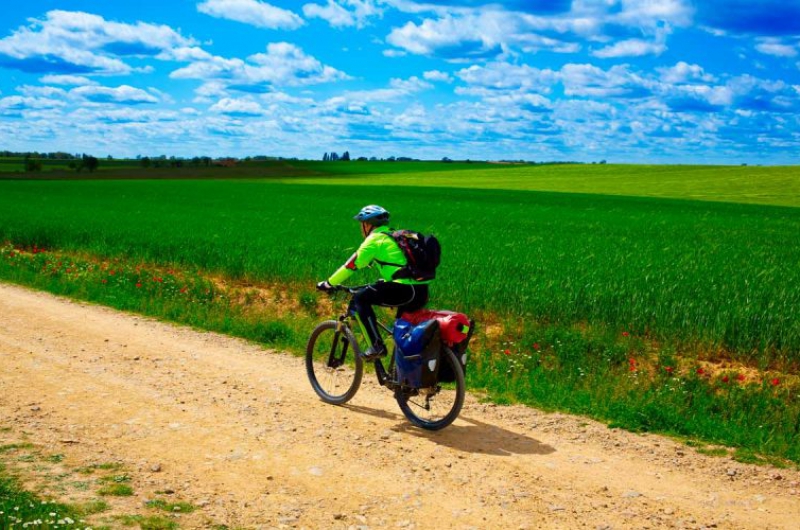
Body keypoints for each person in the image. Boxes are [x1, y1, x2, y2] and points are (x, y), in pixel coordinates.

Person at [317, 205, 430, 360]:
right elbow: (400, 267)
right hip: (421, 291)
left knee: (360, 299)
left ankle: (377, 345)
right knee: (401, 332)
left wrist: (328, 283)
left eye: (361, 224)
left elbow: (351, 266)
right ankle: (401, 377)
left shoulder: (374, 240)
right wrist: (384, 281)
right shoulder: (394, 236)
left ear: (367, 224)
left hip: (403, 290)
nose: (360, 228)